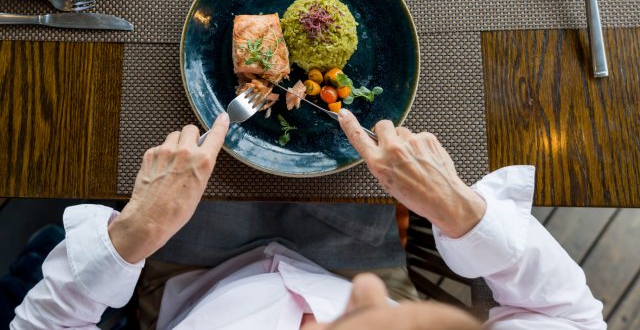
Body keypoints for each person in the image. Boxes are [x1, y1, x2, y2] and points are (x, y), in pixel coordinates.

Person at [10, 110, 606, 330]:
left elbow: (40, 325)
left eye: (362, 315)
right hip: (345, 260)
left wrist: (132, 235)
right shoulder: (365, 284)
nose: (369, 296)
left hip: (186, 277)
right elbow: (571, 317)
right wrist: (463, 211)